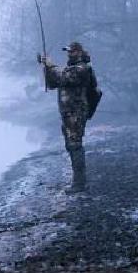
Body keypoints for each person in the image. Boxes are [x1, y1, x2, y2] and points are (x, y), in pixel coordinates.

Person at [39, 42, 99, 193]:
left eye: (71, 52)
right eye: (68, 52)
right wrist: (46, 67)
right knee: (70, 145)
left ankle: (79, 184)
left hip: (76, 113)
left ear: (79, 52)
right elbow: (53, 83)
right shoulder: (72, 68)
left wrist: (51, 65)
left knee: (75, 144)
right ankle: (78, 181)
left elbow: (63, 77)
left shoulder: (83, 68)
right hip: (68, 113)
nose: (69, 54)